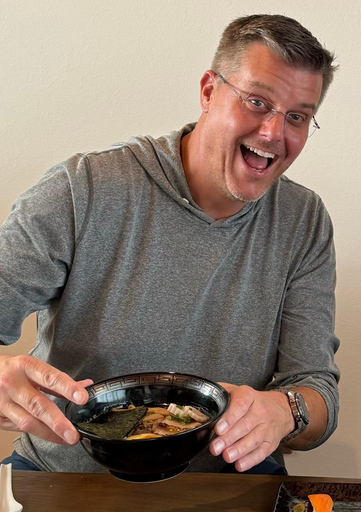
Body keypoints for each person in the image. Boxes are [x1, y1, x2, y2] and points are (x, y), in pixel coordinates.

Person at [0, 14, 340, 475]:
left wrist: (286, 411)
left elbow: (317, 392)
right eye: (257, 102)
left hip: (227, 477)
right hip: (66, 471)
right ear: (208, 91)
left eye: (298, 116)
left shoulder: (304, 220)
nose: (274, 133)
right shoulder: (83, 189)